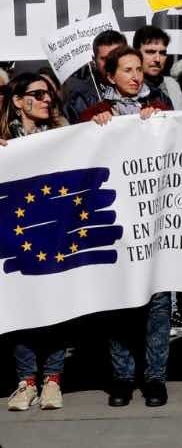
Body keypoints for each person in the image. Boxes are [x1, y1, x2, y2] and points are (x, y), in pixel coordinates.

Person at [76, 47, 172, 407]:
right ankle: (121, 378)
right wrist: (93, 123)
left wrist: (159, 118)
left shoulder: (160, 107)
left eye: (138, 69)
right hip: (113, 221)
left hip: (155, 222)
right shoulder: (94, 113)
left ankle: (155, 378)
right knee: (119, 302)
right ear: (110, 76)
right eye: (127, 69)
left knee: (158, 303)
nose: (136, 76)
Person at [3, 73, 70, 411]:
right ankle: (25, 382)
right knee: (21, 310)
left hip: (53, 236)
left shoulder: (63, 136)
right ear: (18, 101)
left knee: (55, 309)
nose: (47, 100)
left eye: (49, 95)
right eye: (37, 94)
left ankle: (53, 380)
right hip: (14, 241)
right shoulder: (4, 140)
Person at [61, 30, 127, 124]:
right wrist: (87, 124)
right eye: (104, 59)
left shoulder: (145, 89)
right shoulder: (79, 98)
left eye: (116, 57)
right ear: (94, 60)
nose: (110, 64)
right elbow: (72, 133)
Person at [132, 26, 182, 110]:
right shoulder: (127, 87)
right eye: (150, 52)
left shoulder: (172, 84)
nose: (157, 59)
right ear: (135, 53)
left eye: (162, 53)